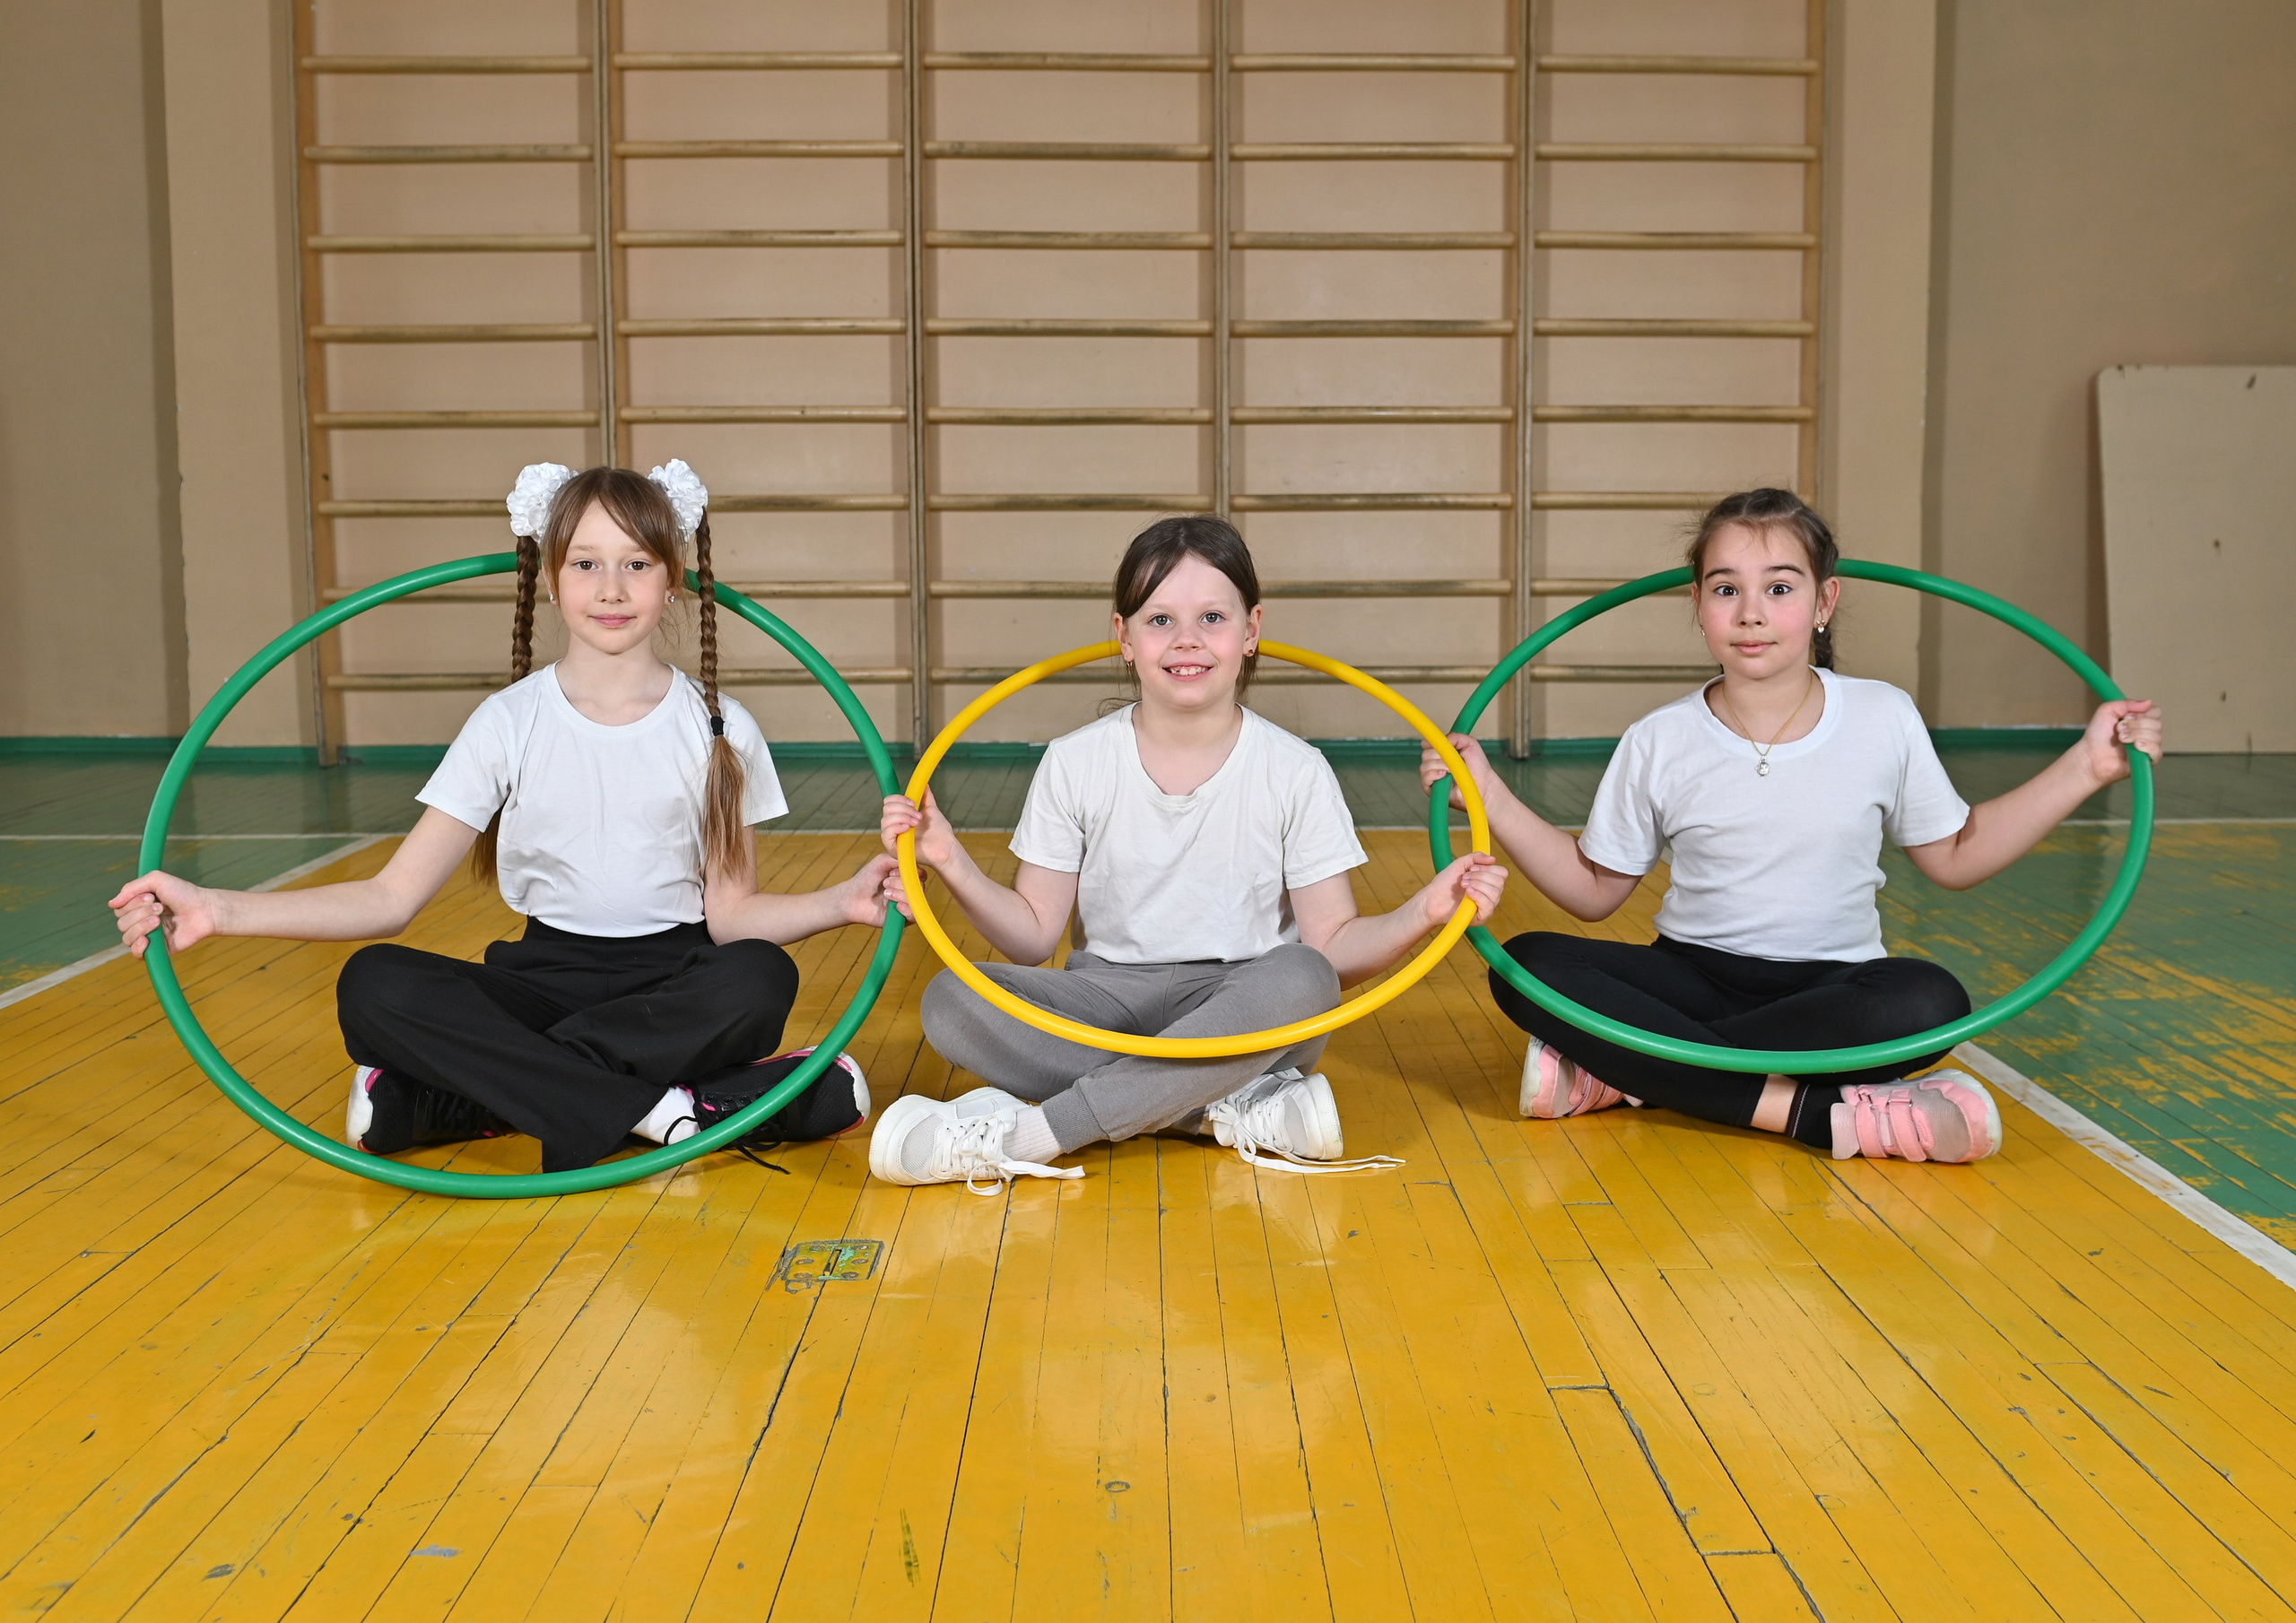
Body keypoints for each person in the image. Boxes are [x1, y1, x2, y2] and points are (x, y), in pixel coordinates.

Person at [109, 461, 895, 1174]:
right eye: (586, 564)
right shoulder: (508, 722)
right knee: (375, 984)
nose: (611, 589)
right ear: (552, 579)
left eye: (636, 565)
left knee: (759, 978)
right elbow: (391, 899)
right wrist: (218, 909)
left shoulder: (721, 726)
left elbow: (732, 920)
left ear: (673, 579)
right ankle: (674, 1111)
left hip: (674, 987)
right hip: (540, 982)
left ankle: (486, 1096)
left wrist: (839, 903)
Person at [1421, 487, 2163, 1164]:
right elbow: (1592, 889)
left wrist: (2088, 769)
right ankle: (1811, 1113)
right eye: (1726, 590)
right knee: (1526, 966)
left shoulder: (1882, 716)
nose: (1751, 613)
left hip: (1833, 994)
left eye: (1779, 588)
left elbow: (1957, 855)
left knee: (1928, 1000)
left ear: (1822, 602)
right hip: (1693, 977)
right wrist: (1487, 792)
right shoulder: (1660, 738)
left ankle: (1634, 1071)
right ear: (1698, 604)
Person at [872, 514, 1508, 1193]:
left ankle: (1035, 1134)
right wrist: (948, 857)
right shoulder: (1074, 763)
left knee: (1303, 977)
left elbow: (1334, 948)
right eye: (1159, 620)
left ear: (1252, 629)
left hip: (1243, 999)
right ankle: (1214, 1110)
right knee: (951, 1001)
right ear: (1123, 636)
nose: (1187, 641)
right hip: (1106, 998)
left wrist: (1424, 912)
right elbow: (1032, 938)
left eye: (1212, 616)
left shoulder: (1296, 770)